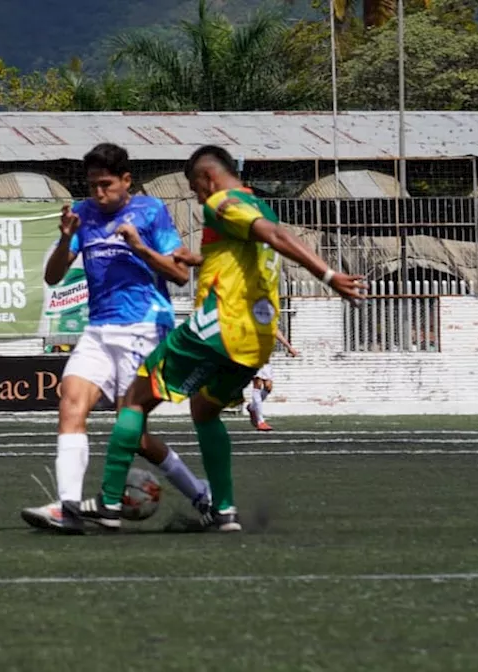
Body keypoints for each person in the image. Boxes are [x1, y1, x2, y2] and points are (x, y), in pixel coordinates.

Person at [71, 145, 366, 533]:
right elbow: (246, 252)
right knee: (205, 410)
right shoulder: (257, 203)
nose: (198, 198)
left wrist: (330, 276)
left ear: (208, 179)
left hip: (220, 327)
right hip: (256, 339)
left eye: (195, 189)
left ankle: (108, 504)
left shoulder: (222, 202)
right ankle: (223, 511)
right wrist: (198, 260)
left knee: (134, 400)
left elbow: (275, 236)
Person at [21, 142, 215, 534]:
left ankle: (201, 494)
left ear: (127, 180)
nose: (98, 192)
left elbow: (179, 275)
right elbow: (53, 277)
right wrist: (64, 239)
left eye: (106, 184)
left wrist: (140, 247)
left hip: (144, 328)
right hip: (98, 329)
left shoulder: (150, 212)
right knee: (70, 404)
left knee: (137, 436)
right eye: (92, 184)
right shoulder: (82, 215)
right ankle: (69, 507)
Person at [247, 329, 297, 432]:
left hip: (266, 360)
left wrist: (289, 347)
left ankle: (252, 407)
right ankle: (261, 422)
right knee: (257, 384)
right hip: (253, 357)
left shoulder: (268, 320)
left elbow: (276, 331)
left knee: (268, 387)